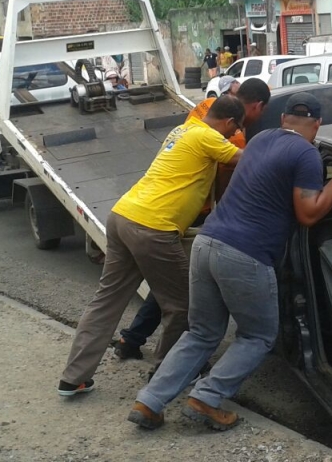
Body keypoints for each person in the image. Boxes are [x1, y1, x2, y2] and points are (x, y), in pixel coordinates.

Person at [127, 93, 332, 431]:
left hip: (207, 242)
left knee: (202, 332)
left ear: (282, 120)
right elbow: (308, 214)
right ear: (317, 124)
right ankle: (207, 398)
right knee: (259, 336)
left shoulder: (261, 139)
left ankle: (149, 402)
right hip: (246, 254)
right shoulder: (306, 154)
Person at [58, 96, 246, 397]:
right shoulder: (208, 136)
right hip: (153, 228)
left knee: (106, 301)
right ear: (230, 123)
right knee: (183, 305)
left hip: (123, 216)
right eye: (235, 130)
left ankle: (73, 377)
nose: (232, 136)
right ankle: (165, 374)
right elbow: (246, 159)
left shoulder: (182, 130)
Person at [110, 79, 272, 362]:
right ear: (256, 106)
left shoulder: (206, 108)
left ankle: (132, 338)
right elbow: (228, 170)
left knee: (172, 283)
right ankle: (172, 361)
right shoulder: (230, 132)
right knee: (182, 289)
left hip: (185, 205)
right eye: (261, 112)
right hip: (199, 210)